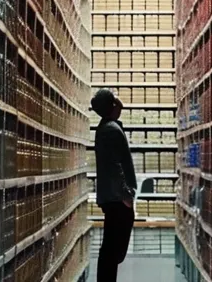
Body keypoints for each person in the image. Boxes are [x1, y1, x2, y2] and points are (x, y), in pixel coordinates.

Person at [91, 88, 137, 282]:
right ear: (111, 106)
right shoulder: (110, 129)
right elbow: (114, 166)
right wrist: (125, 195)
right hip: (117, 198)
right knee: (112, 250)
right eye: (114, 99)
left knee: (111, 249)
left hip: (112, 196)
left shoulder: (107, 127)